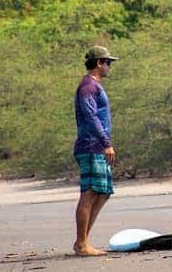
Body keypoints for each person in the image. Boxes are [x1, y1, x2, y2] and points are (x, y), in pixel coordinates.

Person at [72, 46, 118, 256]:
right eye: (108, 62)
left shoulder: (95, 86)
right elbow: (91, 117)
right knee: (89, 193)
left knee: (103, 192)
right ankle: (82, 244)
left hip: (98, 146)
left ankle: (82, 241)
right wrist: (106, 142)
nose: (109, 67)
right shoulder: (88, 86)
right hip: (91, 146)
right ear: (99, 63)